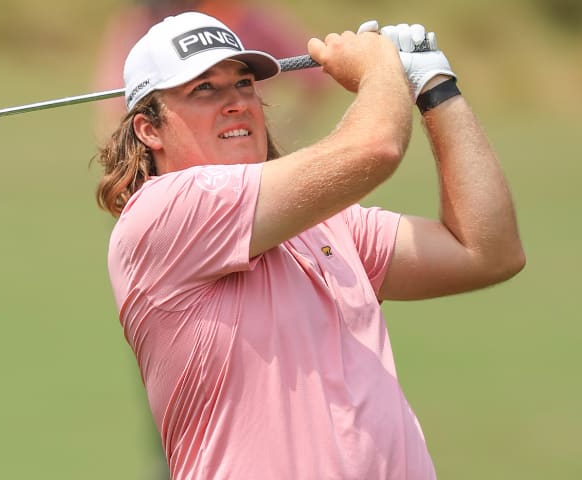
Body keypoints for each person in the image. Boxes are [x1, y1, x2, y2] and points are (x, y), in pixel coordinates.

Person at [95, 11, 525, 480]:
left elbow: (487, 251)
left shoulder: (328, 227)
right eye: (204, 89)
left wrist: (436, 87)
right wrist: (379, 67)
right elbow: (376, 147)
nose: (237, 102)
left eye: (243, 84)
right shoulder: (164, 213)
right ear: (148, 129)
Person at [91, 0, 328, 140]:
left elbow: (315, 80)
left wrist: (283, 133)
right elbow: (116, 106)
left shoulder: (249, 19)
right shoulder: (140, 21)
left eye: (242, 83)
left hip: (242, 150)